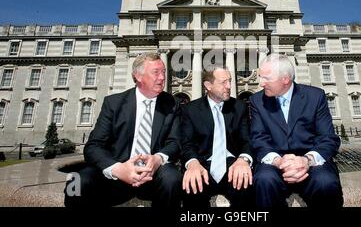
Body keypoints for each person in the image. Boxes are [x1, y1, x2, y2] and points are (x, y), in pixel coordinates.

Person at [64, 53, 182, 208]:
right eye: (156, 73)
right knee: (76, 180)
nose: (162, 78)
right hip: (116, 175)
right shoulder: (114, 103)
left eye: (164, 72)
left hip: (153, 175)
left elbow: (175, 143)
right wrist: (117, 169)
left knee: (172, 178)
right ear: (138, 76)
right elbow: (93, 147)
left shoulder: (173, 104)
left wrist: (158, 159)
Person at [249, 54, 343, 208]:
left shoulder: (315, 96)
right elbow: (258, 139)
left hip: (311, 163)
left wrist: (306, 160)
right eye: (261, 77)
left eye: (266, 78)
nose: (261, 83)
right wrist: (279, 162)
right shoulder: (257, 101)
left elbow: (328, 139)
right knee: (264, 180)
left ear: (285, 79)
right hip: (275, 163)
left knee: (326, 182)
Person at [180, 66, 254, 208]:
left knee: (246, 184)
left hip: (233, 165)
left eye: (230, 81)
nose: (229, 86)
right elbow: (187, 143)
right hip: (202, 164)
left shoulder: (239, 107)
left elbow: (247, 140)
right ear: (208, 85)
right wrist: (193, 163)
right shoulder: (190, 109)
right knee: (191, 187)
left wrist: (243, 159)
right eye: (223, 82)